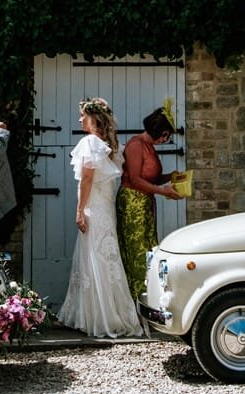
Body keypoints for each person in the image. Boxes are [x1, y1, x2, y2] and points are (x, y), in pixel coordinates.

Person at [58, 97, 142, 338]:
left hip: (94, 208)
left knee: (96, 258)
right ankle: (96, 314)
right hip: (104, 209)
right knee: (103, 258)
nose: (79, 119)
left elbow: (86, 179)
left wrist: (79, 210)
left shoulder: (90, 143)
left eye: (82, 115)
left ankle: (101, 317)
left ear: (93, 118)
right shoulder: (108, 144)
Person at [117, 101, 183, 301]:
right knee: (137, 251)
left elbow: (150, 178)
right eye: (166, 135)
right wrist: (163, 191)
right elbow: (135, 179)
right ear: (159, 131)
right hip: (132, 204)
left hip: (144, 203)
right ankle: (136, 298)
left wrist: (171, 177)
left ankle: (148, 295)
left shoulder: (149, 147)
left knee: (148, 249)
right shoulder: (136, 145)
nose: (167, 139)